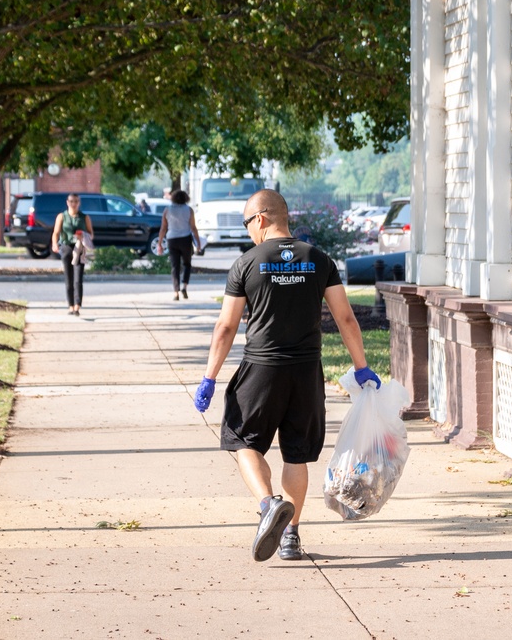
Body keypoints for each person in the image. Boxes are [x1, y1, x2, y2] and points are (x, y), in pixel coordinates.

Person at [193, 189, 381, 563]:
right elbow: (345, 318)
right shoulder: (318, 259)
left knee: (241, 439)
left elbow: (226, 327)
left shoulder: (247, 263)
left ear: (260, 219)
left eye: (247, 223)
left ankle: (268, 506)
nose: (248, 231)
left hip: (261, 370)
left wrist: (209, 377)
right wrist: (361, 367)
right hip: (306, 371)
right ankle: (291, 536)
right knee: (296, 456)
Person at [50, 193, 94, 317]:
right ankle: (70, 305)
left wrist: (84, 236)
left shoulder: (84, 217)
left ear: (79, 203)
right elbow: (56, 233)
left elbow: (91, 234)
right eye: (71, 201)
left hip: (79, 248)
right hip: (66, 248)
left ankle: (77, 306)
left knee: (78, 279)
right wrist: (54, 244)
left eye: (76, 201)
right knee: (68, 279)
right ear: (67, 202)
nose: (73, 204)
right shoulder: (62, 216)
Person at [156, 189, 201, 300]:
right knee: (187, 264)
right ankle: (184, 286)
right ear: (186, 198)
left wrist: (159, 243)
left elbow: (163, 228)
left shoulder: (167, 210)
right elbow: (193, 228)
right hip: (185, 239)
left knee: (175, 266)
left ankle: (176, 292)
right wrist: (198, 242)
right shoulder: (189, 210)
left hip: (172, 239)